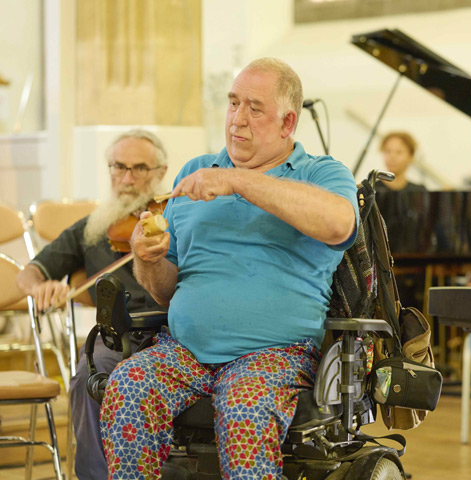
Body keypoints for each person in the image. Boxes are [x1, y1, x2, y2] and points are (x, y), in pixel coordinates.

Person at [99, 57, 359, 479]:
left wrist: (239, 180)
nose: (237, 119)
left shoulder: (321, 173)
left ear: (288, 122)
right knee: (128, 385)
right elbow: (166, 289)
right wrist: (149, 260)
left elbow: (338, 223)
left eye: (254, 108)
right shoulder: (195, 173)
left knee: (245, 408)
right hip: (184, 351)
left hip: (274, 354)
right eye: (233, 103)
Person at [16, 129, 169, 480]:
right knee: (90, 373)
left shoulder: (173, 217)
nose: (127, 178)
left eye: (140, 168)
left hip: (172, 331)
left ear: (161, 172)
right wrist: (43, 288)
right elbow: (28, 275)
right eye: (119, 167)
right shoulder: (94, 228)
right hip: (118, 335)